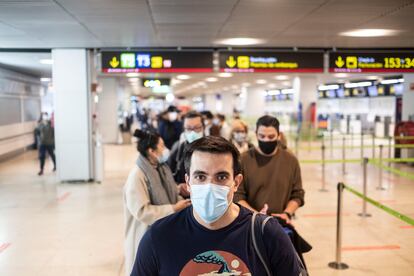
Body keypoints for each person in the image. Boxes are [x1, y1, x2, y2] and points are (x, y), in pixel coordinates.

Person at [131, 136, 301, 275]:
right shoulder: (159, 237)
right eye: (200, 176)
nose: (210, 187)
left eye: (221, 177)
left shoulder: (267, 234)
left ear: (236, 182)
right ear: (188, 182)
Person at [123, 129, 191, 275]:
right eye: (161, 146)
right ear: (151, 151)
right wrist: (173, 209)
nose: (165, 149)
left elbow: (168, 192)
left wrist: (178, 192)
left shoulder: (161, 168)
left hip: (163, 231)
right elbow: (142, 211)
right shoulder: (138, 175)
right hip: (144, 234)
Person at [235, 115, 305, 223]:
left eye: (271, 137)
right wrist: (257, 216)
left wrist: (286, 213)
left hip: (280, 222)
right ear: (256, 135)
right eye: (262, 136)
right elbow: (237, 195)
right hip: (251, 221)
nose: (266, 140)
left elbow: (297, 194)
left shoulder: (291, 160)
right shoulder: (243, 159)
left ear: (279, 135)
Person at [168, 111, 204, 195]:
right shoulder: (177, 149)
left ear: (203, 127)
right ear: (184, 129)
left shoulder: (213, 150)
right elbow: (169, 174)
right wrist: (177, 186)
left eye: (196, 128)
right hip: (184, 199)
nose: (192, 132)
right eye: (188, 128)